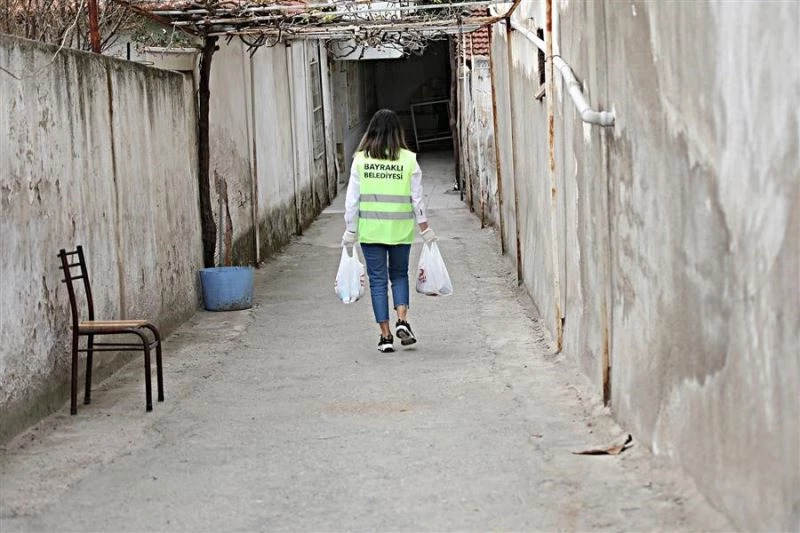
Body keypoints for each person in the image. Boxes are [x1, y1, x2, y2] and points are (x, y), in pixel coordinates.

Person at [342, 109, 436, 353]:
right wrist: (425, 228)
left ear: (371, 131)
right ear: (397, 132)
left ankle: (385, 337)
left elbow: (352, 201)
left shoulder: (360, 160)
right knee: (399, 275)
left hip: (371, 231)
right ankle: (402, 320)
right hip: (400, 231)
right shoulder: (408, 160)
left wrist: (350, 230)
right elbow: (417, 199)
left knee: (377, 281)